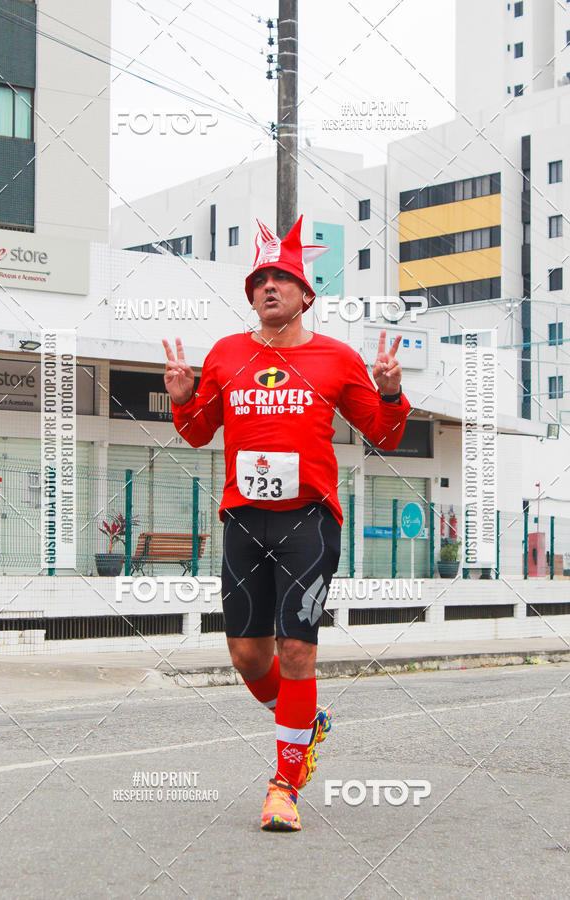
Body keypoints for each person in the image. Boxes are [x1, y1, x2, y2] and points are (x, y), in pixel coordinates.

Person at [163, 215, 410, 831]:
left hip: (308, 521)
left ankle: (284, 785)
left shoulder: (337, 358)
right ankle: (303, 720)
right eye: (260, 280)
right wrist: (179, 396)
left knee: (298, 650)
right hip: (244, 521)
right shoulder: (225, 354)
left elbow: (384, 434)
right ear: (251, 296)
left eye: (282, 278)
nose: (269, 286)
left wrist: (388, 393)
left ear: (306, 296)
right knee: (248, 655)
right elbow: (197, 436)